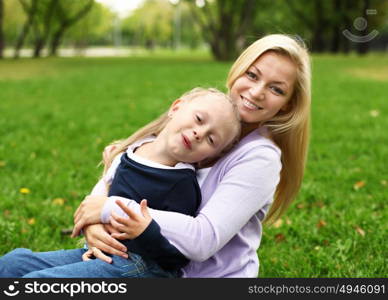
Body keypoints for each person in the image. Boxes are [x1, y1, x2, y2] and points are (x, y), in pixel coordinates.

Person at [70, 34, 312, 277]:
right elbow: (123, 168)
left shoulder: (261, 158)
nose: (257, 91)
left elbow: (203, 238)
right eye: (252, 75)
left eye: (276, 89)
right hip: (143, 259)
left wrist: (110, 209)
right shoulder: (207, 118)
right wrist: (93, 221)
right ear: (237, 71)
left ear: (287, 105)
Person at [0, 88, 241, 278]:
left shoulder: (181, 184)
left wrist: (146, 232)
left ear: (208, 157)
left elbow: (175, 262)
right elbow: (101, 195)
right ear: (176, 108)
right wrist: (91, 226)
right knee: (14, 263)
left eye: (211, 138)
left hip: (141, 267)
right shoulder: (134, 149)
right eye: (199, 119)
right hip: (99, 252)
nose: (200, 133)